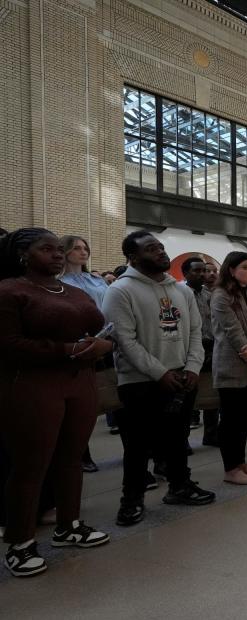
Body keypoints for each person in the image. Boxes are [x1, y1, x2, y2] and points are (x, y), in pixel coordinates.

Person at [0, 228, 112, 577]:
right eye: (45, 249)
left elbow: (98, 327)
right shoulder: (9, 291)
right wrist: (67, 350)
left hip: (79, 382)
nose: (57, 254)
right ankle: (20, 543)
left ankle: (69, 526)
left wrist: (101, 346)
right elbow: (8, 345)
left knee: (71, 459)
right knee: (31, 466)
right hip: (33, 386)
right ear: (22, 255)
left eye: (57, 249)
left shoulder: (74, 291)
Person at [102, 230, 215, 528]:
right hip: (139, 381)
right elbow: (124, 340)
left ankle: (179, 486)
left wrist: (191, 367)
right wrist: (159, 372)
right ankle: (132, 500)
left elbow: (194, 332)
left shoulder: (182, 291)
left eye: (161, 247)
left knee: (178, 438)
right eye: (152, 248)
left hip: (181, 376)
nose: (161, 252)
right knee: (137, 445)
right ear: (133, 257)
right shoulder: (120, 291)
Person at [209, 252, 247, 485]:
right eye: (245, 267)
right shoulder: (221, 296)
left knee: (243, 419)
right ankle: (230, 468)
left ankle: (241, 461)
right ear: (231, 270)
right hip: (232, 366)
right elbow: (233, 333)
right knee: (231, 420)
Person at [60, 234, 111, 472]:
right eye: (77, 248)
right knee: (79, 405)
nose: (83, 252)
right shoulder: (59, 281)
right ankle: (81, 452)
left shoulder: (96, 281)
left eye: (85, 248)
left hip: (104, 339)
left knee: (100, 398)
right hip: (78, 343)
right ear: (65, 251)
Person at [182, 257, 215, 434]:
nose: (202, 274)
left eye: (204, 270)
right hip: (189, 348)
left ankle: (211, 432)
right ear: (186, 273)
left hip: (210, 346)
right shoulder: (180, 293)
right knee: (189, 392)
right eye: (197, 271)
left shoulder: (209, 295)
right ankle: (184, 437)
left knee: (211, 391)